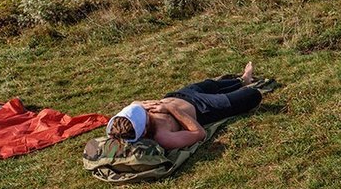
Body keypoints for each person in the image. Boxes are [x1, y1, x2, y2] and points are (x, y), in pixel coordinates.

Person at [106, 62, 262, 150]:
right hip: (203, 108)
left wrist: (140, 104)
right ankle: (243, 85)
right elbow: (199, 134)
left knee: (210, 84)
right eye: (145, 115)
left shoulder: (129, 118)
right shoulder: (164, 137)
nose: (146, 111)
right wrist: (171, 109)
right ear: (145, 129)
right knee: (252, 95)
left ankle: (242, 80)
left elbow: (134, 103)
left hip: (181, 94)